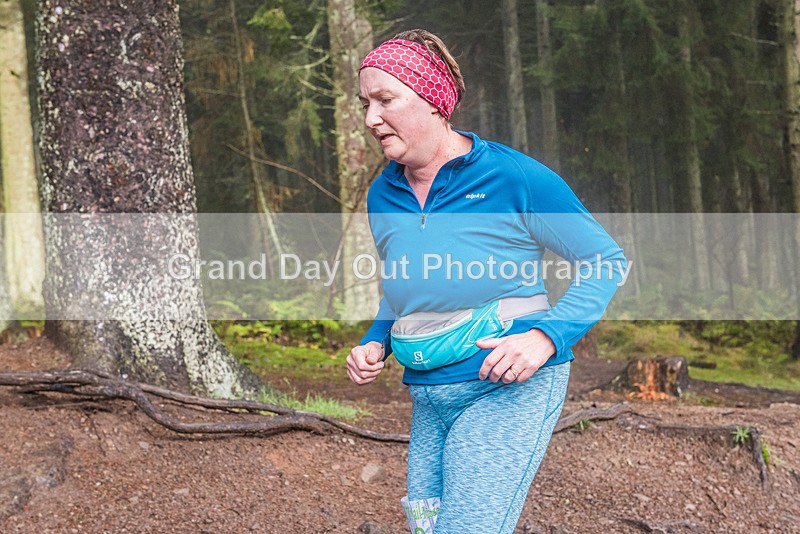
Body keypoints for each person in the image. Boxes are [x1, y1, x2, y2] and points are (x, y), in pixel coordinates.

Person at [346, 29, 627, 533]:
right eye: (365, 103)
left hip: (503, 387)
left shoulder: (512, 177)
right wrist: (375, 340)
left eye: (385, 100)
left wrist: (546, 337)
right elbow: (402, 285)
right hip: (428, 395)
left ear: (433, 101)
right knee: (428, 526)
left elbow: (605, 260)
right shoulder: (383, 194)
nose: (371, 118)